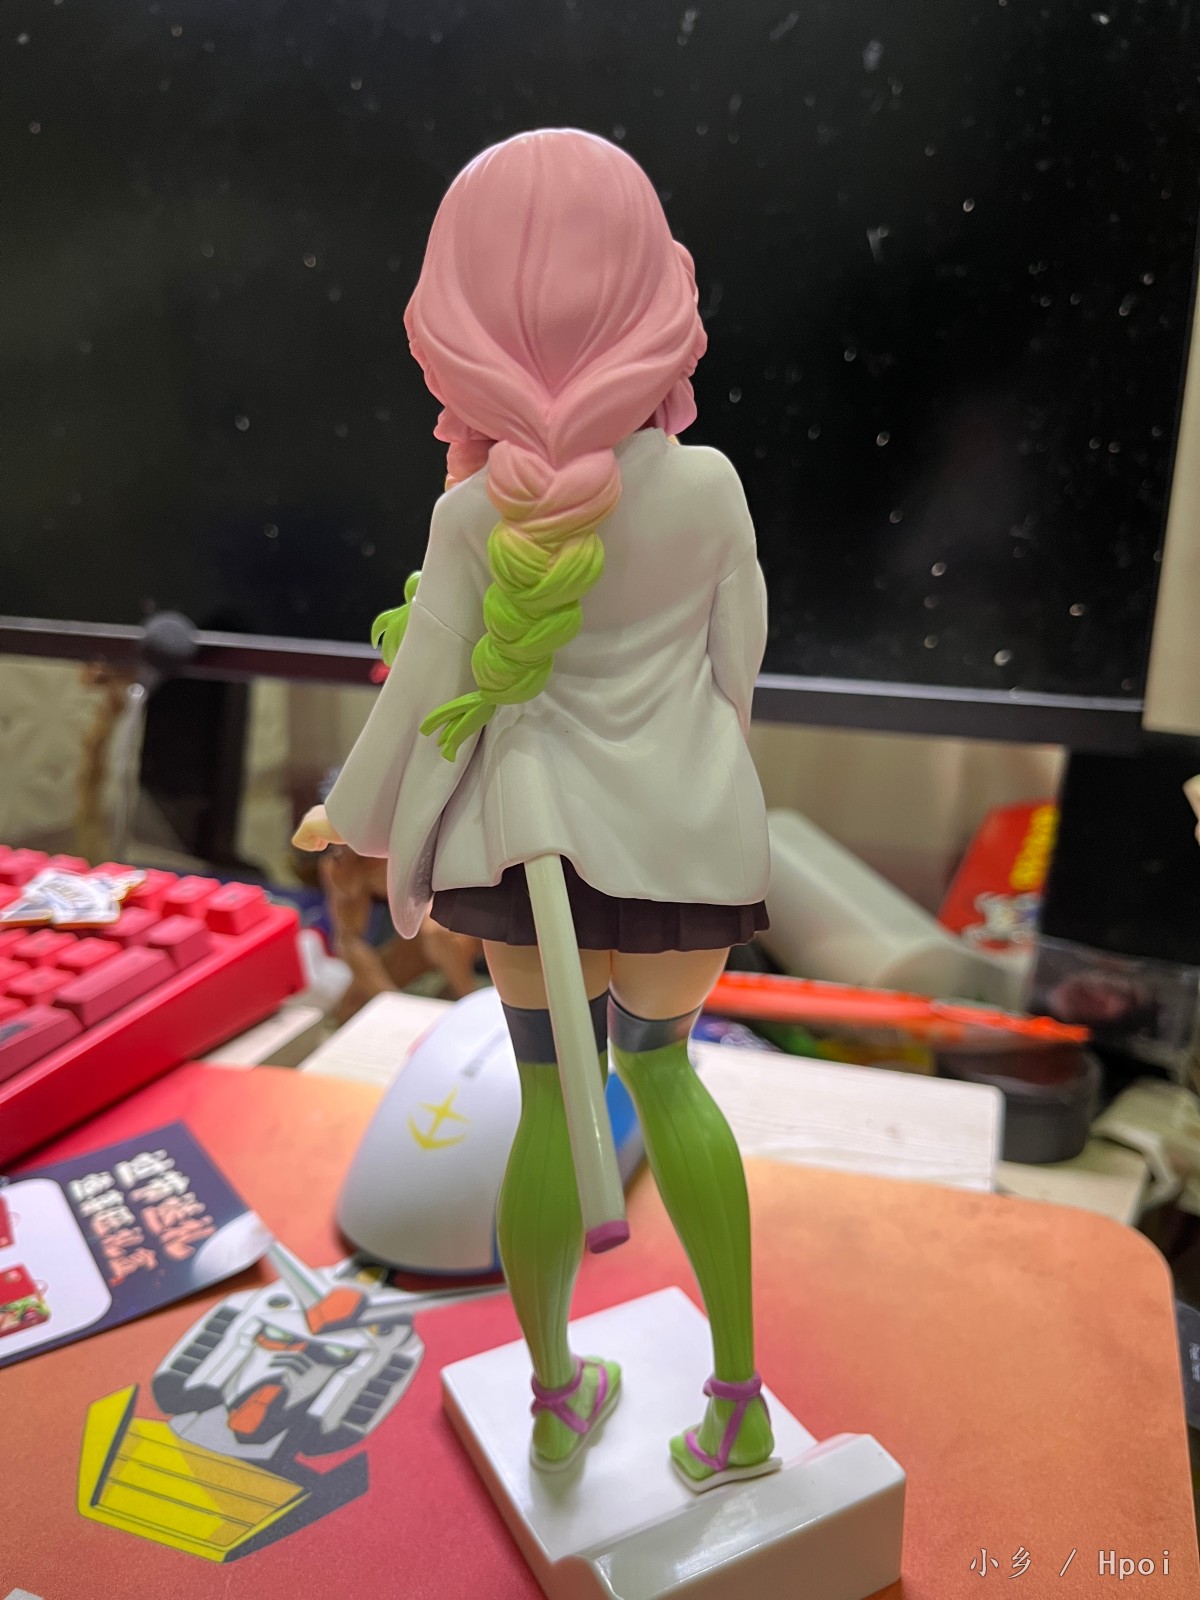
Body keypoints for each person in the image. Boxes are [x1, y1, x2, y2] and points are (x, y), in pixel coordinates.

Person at [293, 128, 776, 1490]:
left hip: (526, 855)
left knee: (553, 1096)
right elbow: (737, 669)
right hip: (687, 847)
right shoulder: (712, 488)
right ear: (654, 291)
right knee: (666, 1074)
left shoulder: (469, 520)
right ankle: (738, 1405)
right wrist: (694, 775)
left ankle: (556, 1398)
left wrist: (352, 815)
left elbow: (421, 695)